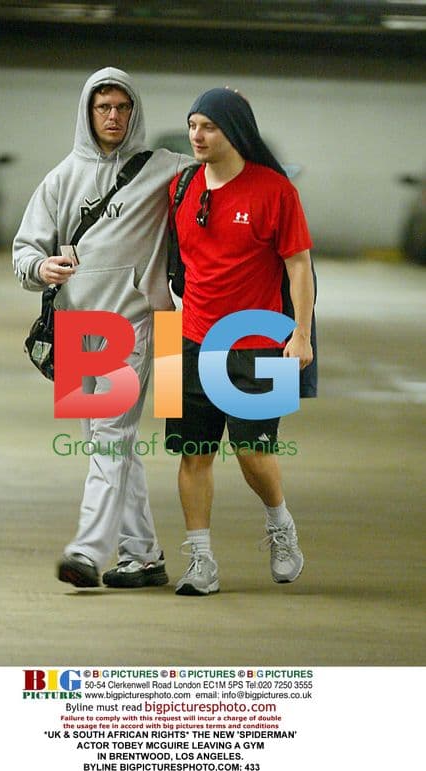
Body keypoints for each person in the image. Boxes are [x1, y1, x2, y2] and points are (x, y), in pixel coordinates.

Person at [13, 67, 193, 590]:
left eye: (122, 107)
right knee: (107, 442)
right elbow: (26, 249)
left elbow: (224, 167)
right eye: (103, 107)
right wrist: (40, 268)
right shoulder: (61, 178)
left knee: (111, 437)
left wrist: (233, 121)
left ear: (134, 112)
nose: (113, 116)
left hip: (136, 324)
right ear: (88, 113)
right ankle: (143, 554)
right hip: (76, 326)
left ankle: (87, 550)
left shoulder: (167, 169)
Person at [165, 87, 316, 596]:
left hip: (259, 341)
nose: (197, 135)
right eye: (192, 125)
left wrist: (301, 334)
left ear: (235, 132)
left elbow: (298, 266)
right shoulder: (182, 185)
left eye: (208, 126)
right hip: (185, 338)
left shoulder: (275, 191)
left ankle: (280, 526)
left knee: (254, 450)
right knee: (193, 453)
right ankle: (201, 562)